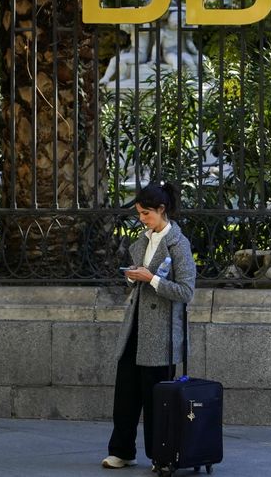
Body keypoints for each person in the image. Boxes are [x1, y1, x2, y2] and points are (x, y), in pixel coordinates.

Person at [102, 181, 196, 470]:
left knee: (158, 401)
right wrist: (132, 277)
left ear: (161, 210)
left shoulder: (178, 244)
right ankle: (122, 450)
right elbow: (136, 281)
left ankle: (162, 455)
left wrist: (151, 279)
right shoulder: (143, 240)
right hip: (135, 328)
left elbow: (186, 291)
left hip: (161, 335)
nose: (142, 219)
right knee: (126, 395)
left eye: (146, 214)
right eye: (140, 214)